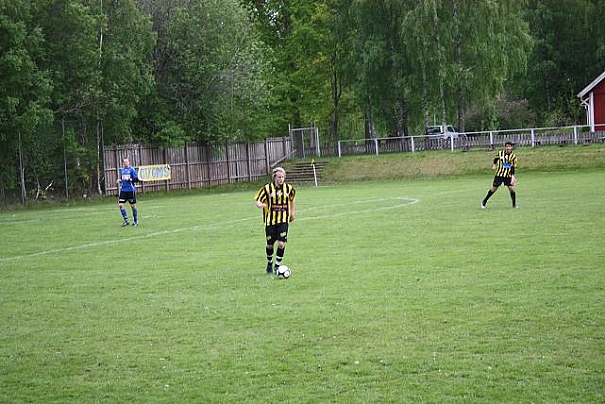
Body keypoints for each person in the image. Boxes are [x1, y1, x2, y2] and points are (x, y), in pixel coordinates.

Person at [254, 167, 296, 274]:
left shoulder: (289, 188)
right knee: (270, 245)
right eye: (279, 177)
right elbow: (258, 200)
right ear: (274, 177)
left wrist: (292, 213)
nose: (281, 179)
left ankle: (277, 266)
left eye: (282, 177)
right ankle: (269, 263)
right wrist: (260, 204)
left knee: (281, 244)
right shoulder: (267, 188)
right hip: (270, 221)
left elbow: (292, 198)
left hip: (283, 220)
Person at [481, 141, 518, 209]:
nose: (508, 148)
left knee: (512, 189)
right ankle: (484, 201)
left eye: (509, 146)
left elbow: (512, 167)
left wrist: (513, 176)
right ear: (505, 147)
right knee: (494, 189)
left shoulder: (513, 157)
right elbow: (496, 159)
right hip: (499, 174)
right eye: (507, 146)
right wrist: (494, 165)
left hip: (508, 175)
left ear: (511, 147)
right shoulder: (500, 153)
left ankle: (514, 204)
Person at [117, 157, 140, 226]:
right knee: (120, 205)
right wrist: (119, 180)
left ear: (129, 162)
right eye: (124, 162)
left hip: (130, 190)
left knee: (133, 206)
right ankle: (126, 220)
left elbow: (137, 179)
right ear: (123, 163)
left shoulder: (132, 169)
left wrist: (130, 179)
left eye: (126, 162)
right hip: (123, 190)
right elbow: (122, 179)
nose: (125, 163)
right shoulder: (122, 170)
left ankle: (135, 221)